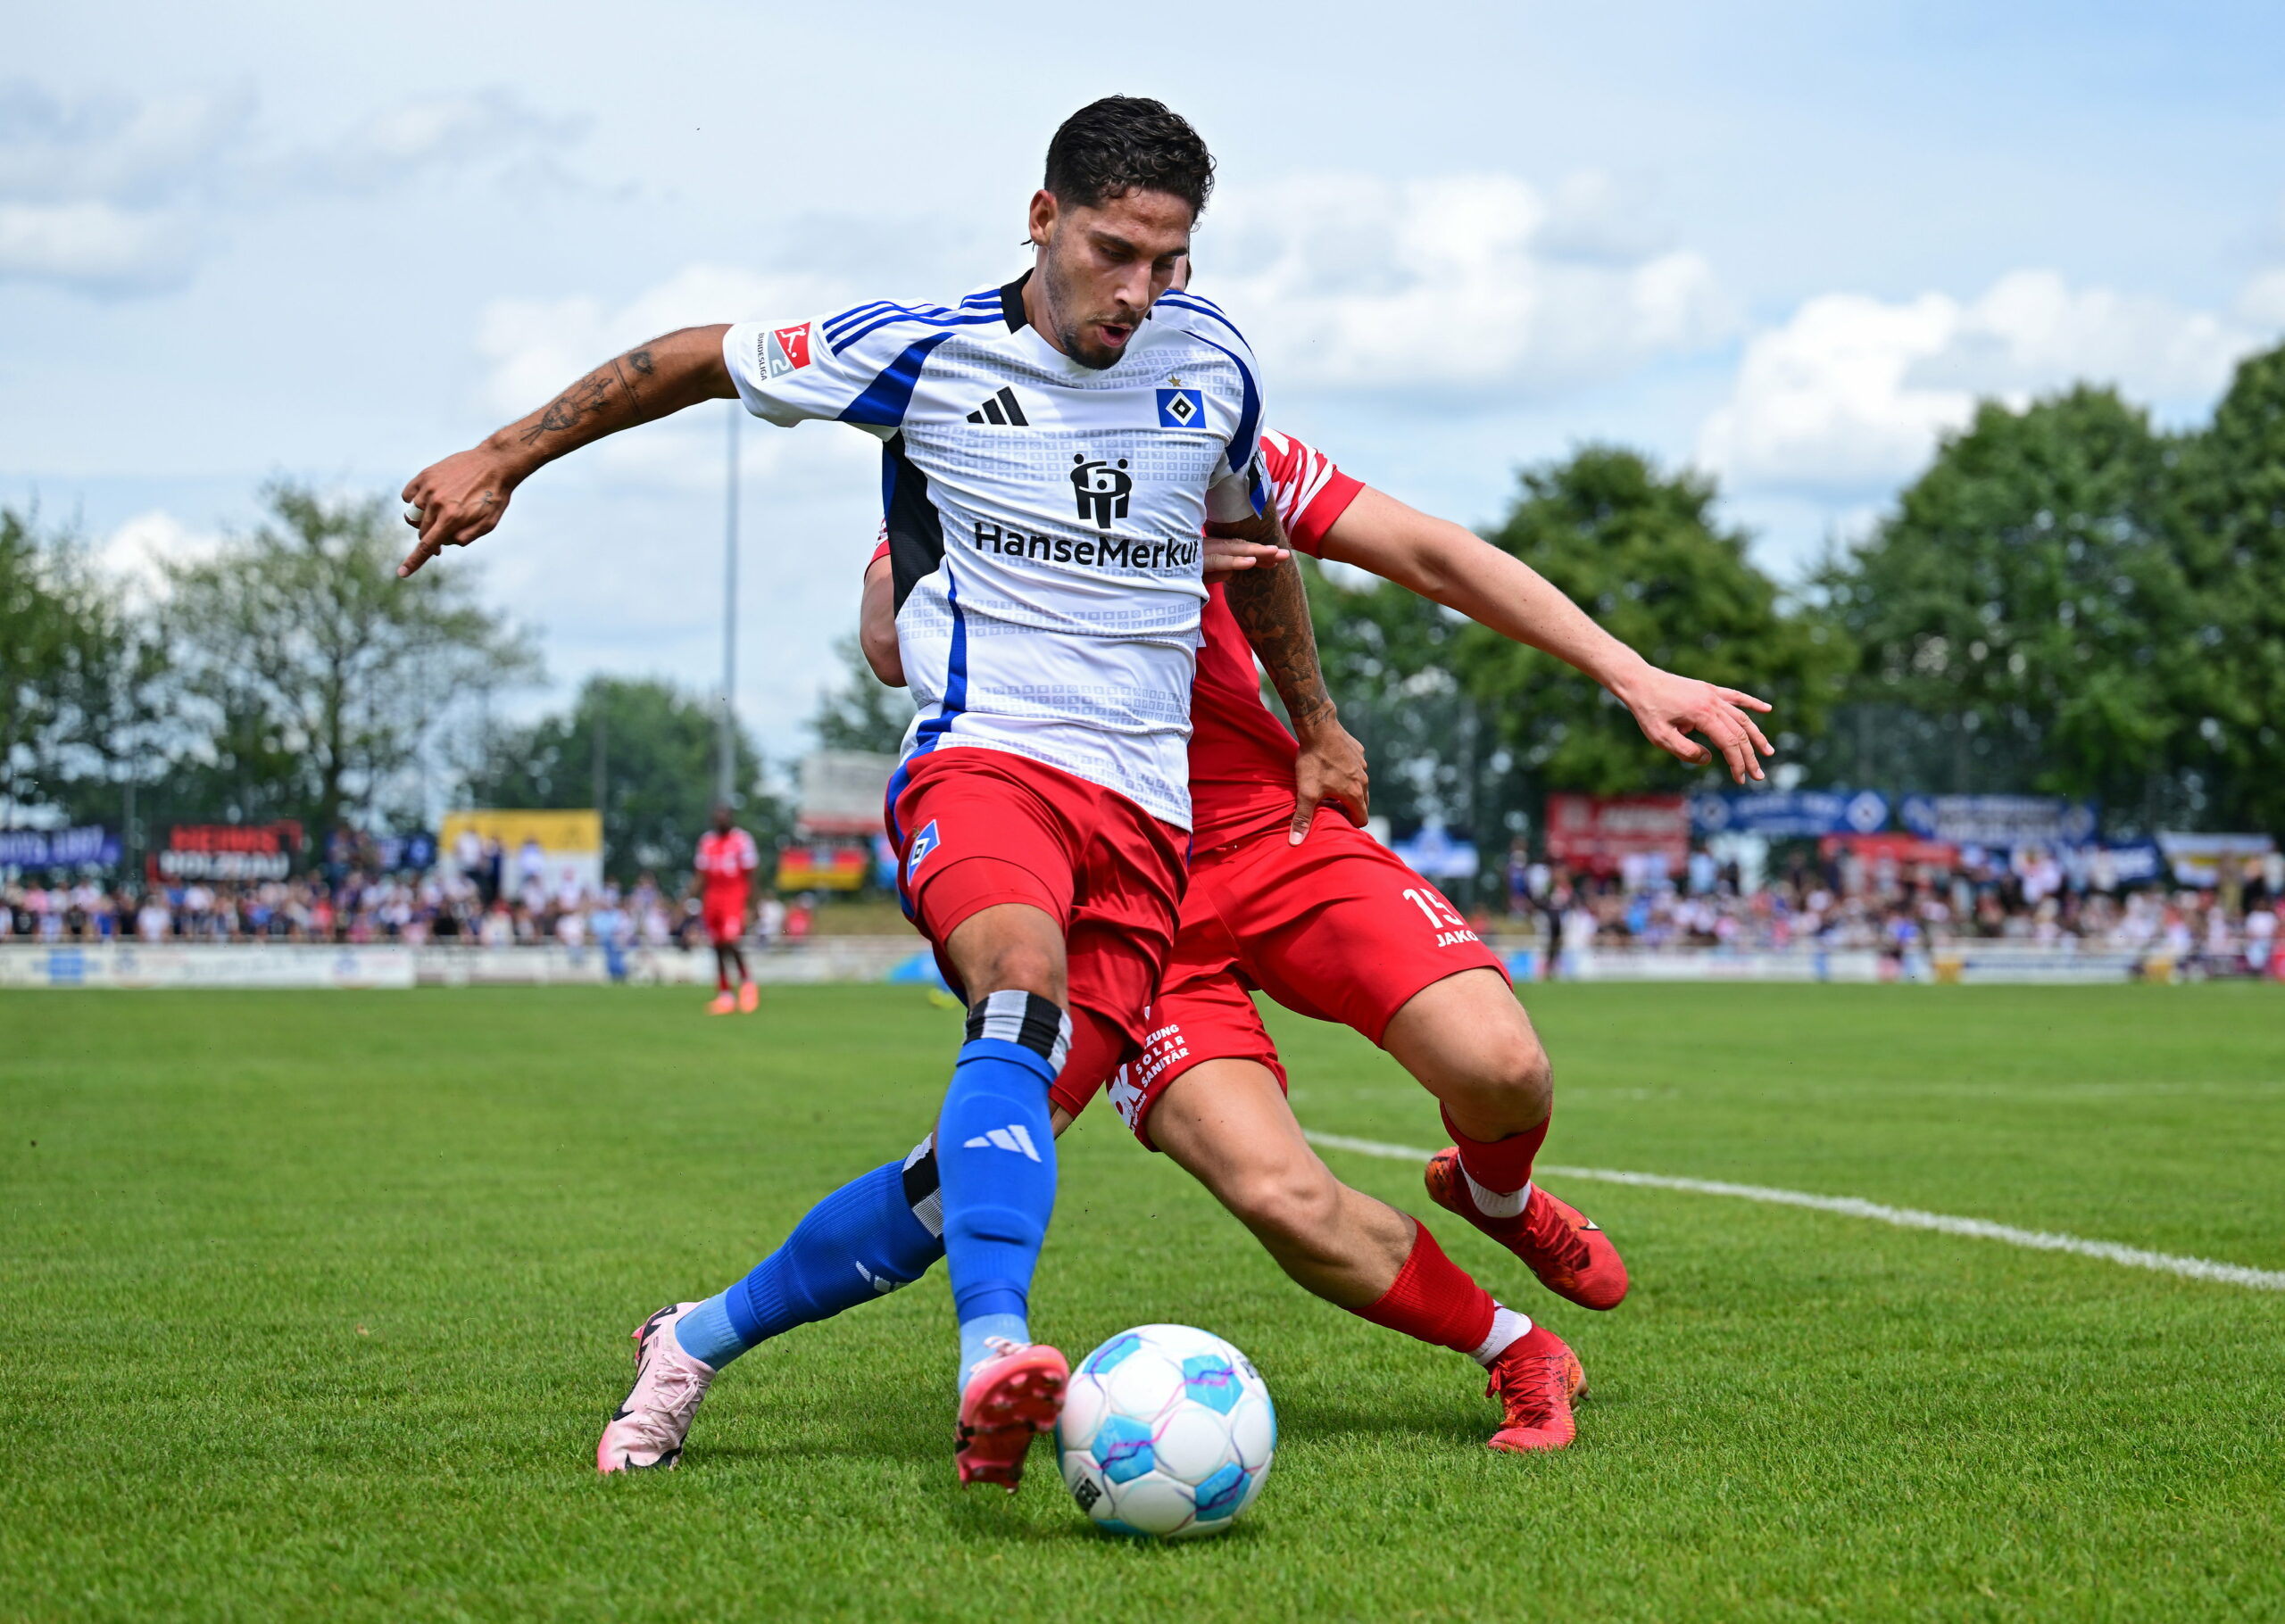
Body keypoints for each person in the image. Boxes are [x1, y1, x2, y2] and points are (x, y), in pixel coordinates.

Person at [399, 96, 1354, 1489]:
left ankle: (693, 1341)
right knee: (1015, 992)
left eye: (1171, 260)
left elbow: (1253, 542)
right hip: (989, 768)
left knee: (952, 1178)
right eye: (1114, 251)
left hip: (1148, 822)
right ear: (1042, 221)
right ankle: (992, 1362)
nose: (1141, 292)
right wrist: (502, 457)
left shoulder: (1210, 362)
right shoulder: (928, 351)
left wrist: (1314, 726)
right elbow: (691, 359)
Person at [588, 418, 1777, 1471]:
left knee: (1502, 1065)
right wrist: (997, 561)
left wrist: (1629, 670)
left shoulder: (1209, 430)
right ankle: (1521, 1351)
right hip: (1122, 884)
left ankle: (1498, 1191)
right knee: (1252, 1188)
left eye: (1167, 269)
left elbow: (1432, 552)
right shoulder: (968, 477)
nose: (1142, 303)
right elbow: (896, 647)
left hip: (1276, 831)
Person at [692, 805, 760, 1015]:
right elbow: (700, 876)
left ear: (731, 818)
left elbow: (751, 874)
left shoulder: (742, 840)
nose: (720, 820)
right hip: (713, 897)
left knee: (731, 941)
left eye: (724, 817)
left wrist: (754, 905)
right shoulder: (707, 842)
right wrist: (684, 900)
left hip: (734, 896)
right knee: (717, 946)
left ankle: (747, 983)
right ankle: (725, 995)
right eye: (717, 817)